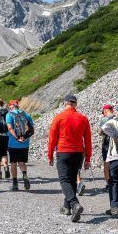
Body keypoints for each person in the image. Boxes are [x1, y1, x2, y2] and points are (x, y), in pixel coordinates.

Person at [48, 94, 92, 223]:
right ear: (75, 104)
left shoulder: (59, 117)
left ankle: (74, 204)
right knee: (72, 179)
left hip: (63, 151)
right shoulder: (83, 118)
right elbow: (88, 140)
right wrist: (88, 158)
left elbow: (52, 138)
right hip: (78, 153)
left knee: (64, 179)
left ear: (65, 103)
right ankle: (66, 207)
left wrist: (50, 154)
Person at [6, 100, 34, 191]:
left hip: (13, 144)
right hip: (24, 144)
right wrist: (25, 137)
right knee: (22, 162)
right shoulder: (25, 114)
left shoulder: (9, 115)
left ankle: (15, 184)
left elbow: (9, 128)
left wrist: (16, 137)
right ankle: (25, 175)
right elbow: (31, 128)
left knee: (13, 163)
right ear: (18, 106)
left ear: (11, 106)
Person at [98, 104, 115, 191]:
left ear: (105, 111)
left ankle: (108, 184)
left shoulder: (104, 119)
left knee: (106, 164)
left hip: (106, 144)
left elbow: (100, 133)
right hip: (117, 144)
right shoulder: (117, 118)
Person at [0, 99, 11, 180]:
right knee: (4, 153)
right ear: (3, 104)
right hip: (6, 135)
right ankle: (6, 166)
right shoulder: (8, 112)